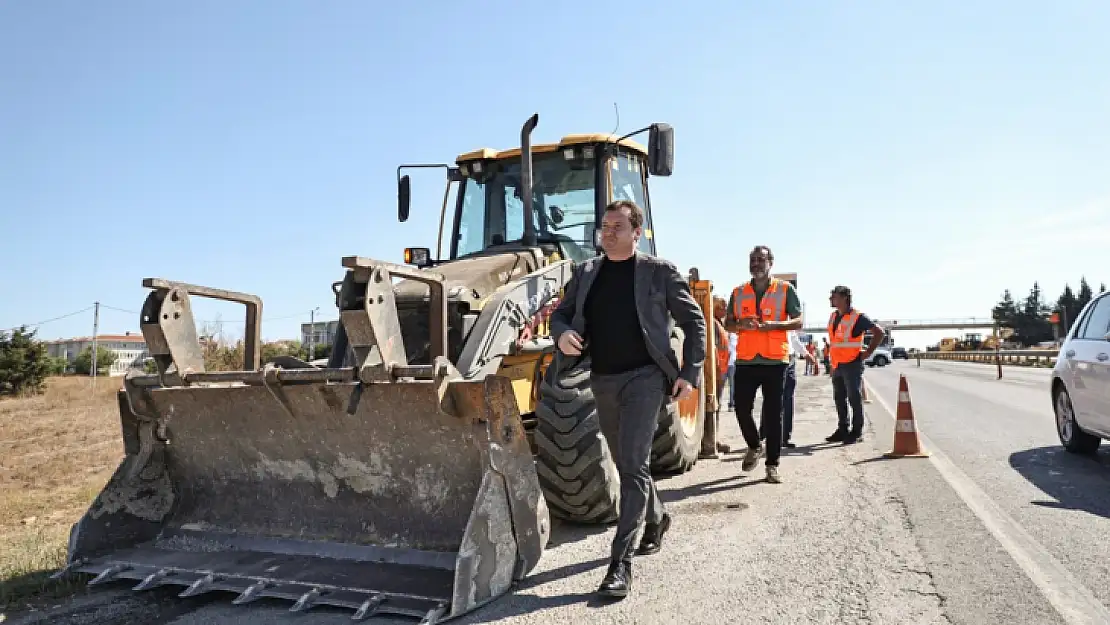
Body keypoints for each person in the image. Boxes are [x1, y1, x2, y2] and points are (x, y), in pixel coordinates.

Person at [550, 199, 707, 599]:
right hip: (602, 378)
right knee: (625, 464)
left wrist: (689, 373)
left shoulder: (659, 273)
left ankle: (620, 564)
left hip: (646, 378)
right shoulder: (586, 273)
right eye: (605, 226)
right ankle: (655, 519)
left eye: (618, 226)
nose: (608, 232)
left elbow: (694, 321)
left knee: (634, 465)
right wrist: (562, 334)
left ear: (637, 232)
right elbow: (561, 315)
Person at [724, 245, 803, 484]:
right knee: (740, 408)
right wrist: (740, 324)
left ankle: (772, 466)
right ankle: (754, 445)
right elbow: (728, 323)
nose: (756, 263)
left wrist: (774, 325)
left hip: (774, 361)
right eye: (752, 259)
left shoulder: (785, 289)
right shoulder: (738, 292)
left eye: (761, 259)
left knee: (772, 414)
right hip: (747, 359)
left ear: (771, 263)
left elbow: (798, 320)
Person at [825, 285, 885, 444]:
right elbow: (835, 342)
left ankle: (857, 431)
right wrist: (832, 364)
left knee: (854, 398)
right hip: (837, 364)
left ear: (844, 298)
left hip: (852, 364)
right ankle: (842, 429)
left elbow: (879, 332)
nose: (830, 299)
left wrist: (868, 352)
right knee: (839, 398)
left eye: (834, 296)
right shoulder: (833, 316)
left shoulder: (858, 317)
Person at [701, 296, 733, 459]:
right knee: (712, 407)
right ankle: (708, 442)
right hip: (715, 371)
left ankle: (714, 438)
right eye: (723, 307)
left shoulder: (718, 324)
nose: (726, 311)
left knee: (717, 407)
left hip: (720, 371)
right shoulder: (712, 324)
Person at [781, 330, 816, 448]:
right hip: (775, 360)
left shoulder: (790, 320)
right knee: (773, 399)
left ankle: (785, 437)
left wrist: (805, 353)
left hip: (790, 360)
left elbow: (794, 339)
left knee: (788, 400)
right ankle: (766, 435)